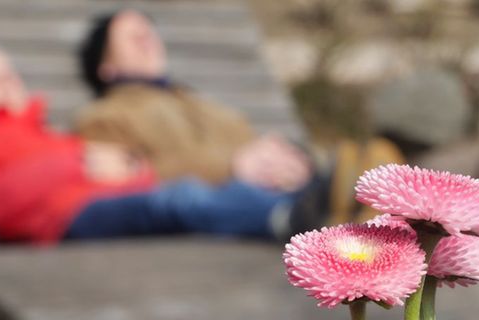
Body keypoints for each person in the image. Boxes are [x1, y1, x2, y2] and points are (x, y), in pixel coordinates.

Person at [0, 44, 323, 244]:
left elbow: (124, 172)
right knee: (182, 199)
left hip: (114, 198)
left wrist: (137, 171)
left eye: (9, 72)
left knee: (188, 195)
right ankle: (296, 220)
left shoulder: (44, 131)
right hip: (67, 220)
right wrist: (75, 161)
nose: (7, 80)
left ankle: (318, 202)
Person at [75, 10, 402, 223]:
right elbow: (129, 180)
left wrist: (286, 160)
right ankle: (330, 206)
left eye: (149, 32)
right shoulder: (103, 116)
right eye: (132, 37)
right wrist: (233, 165)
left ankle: (360, 193)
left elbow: (250, 145)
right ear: (107, 67)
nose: (147, 39)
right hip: (228, 202)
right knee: (212, 197)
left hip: (272, 190)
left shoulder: (194, 101)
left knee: (342, 166)